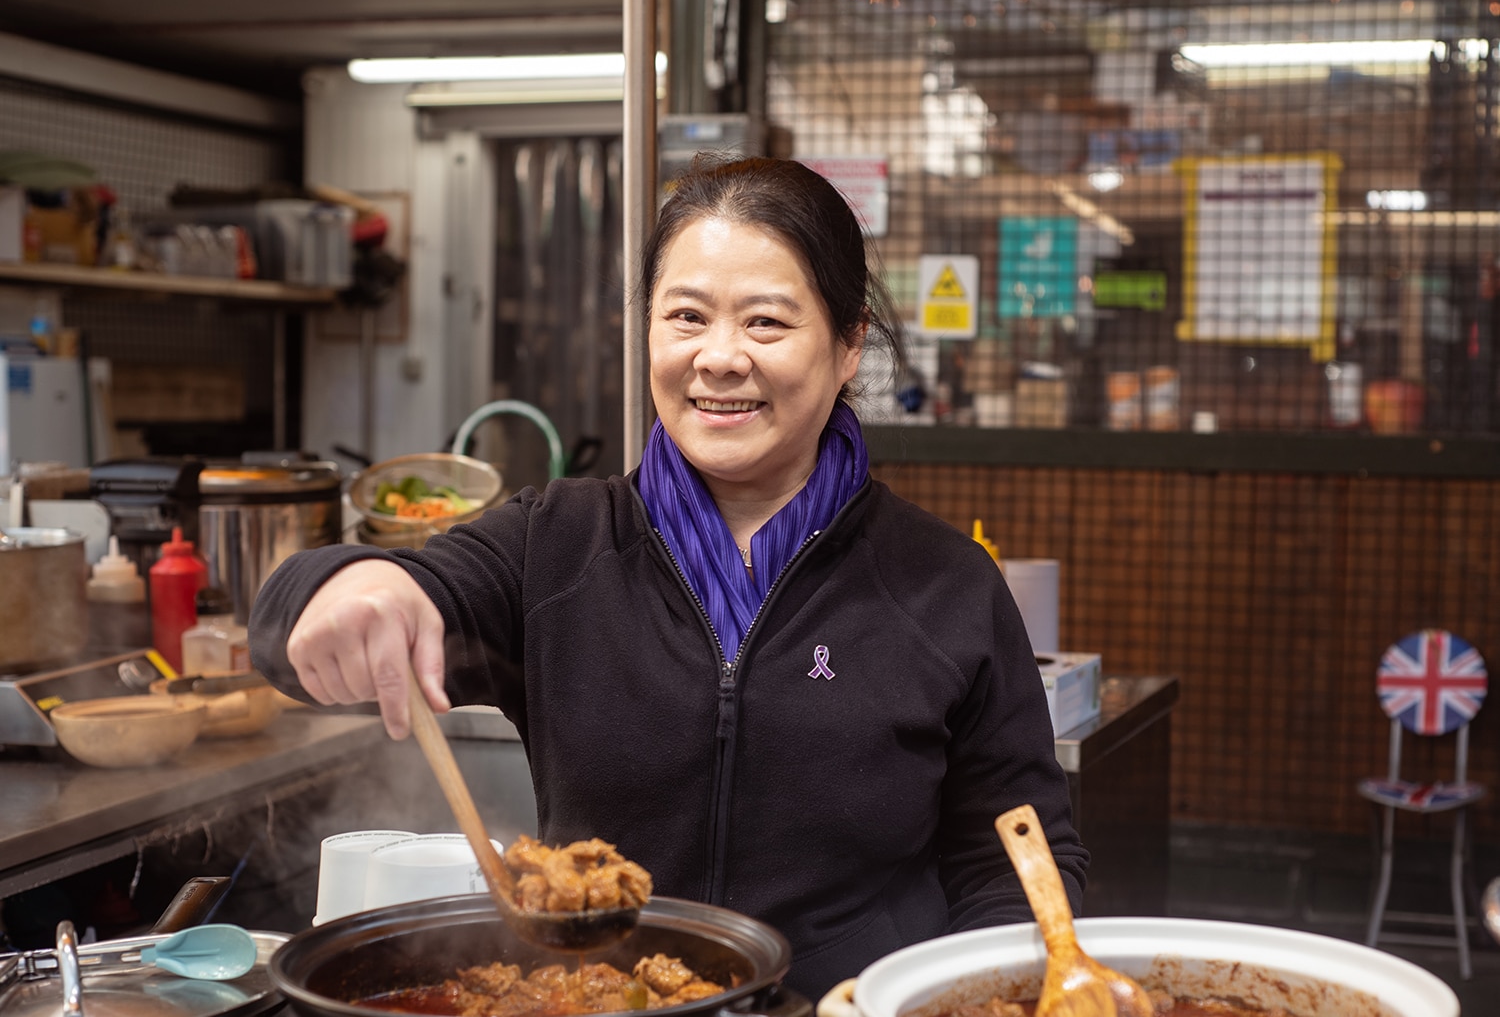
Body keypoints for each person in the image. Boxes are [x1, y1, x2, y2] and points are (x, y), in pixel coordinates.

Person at [250, 155, 1086, 1000]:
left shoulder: (945, 585)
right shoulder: (557, 544)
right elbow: (314, 623)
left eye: (766, 323)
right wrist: (348, 584)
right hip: (598, 1000)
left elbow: (1015, 866)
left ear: (848, 345)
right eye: (686, 315)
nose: (719, 358)